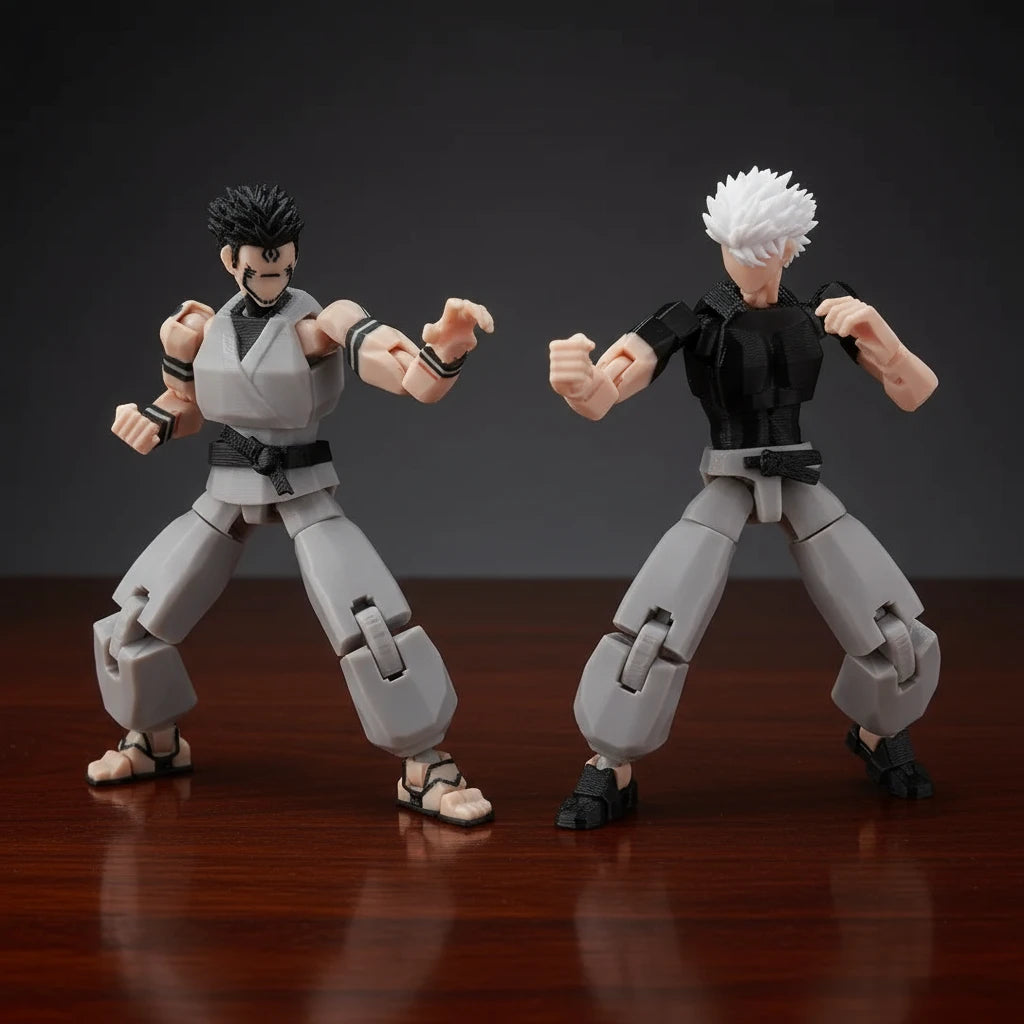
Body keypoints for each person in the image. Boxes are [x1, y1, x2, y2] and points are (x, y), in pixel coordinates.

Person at [89, 184, 494, 827]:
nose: (272, 270)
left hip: (300, 486)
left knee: (371, 624)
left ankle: (427, 766)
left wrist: (443, 354)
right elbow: (186, 405)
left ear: (295, 254)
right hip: (226, 488)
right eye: (259, 260)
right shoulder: (195, 330)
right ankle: (152, 740)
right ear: (232, 260)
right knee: (133, 621)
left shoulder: (324, 323)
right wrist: (152, 420)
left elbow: (407, 376)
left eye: (282, 257)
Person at [550, 167, 939, 830]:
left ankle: (879, 732)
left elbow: (916, 392)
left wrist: (883, 339)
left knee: (893, 628)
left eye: (760, 249)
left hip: (798, 474)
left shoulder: (829, 309)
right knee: (654, 626)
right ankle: (610, 763)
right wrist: (579, 383)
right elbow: (606, 390)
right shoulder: (689, 321)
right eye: (735, 249)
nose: (747, 263)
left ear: (788, 248)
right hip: (730, 477)